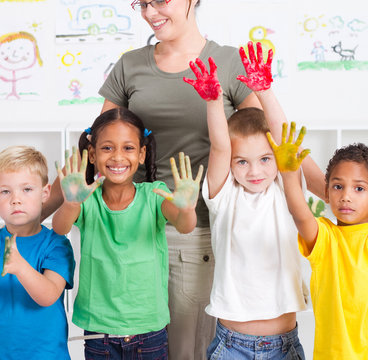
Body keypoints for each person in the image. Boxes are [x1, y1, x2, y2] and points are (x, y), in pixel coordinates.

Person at [88, 1, 264, 357]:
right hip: (131, 232)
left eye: (161, 1)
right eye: (142, 3)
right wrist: (36, 208)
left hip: (194, 232)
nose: (151, 12)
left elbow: (270, 139)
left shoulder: (229, 63)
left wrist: (327, 187)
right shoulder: (130, 65)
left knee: (187, 351)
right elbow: (97, 145)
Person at [183, 41, 325, 359]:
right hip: (232, 345)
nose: (254, 171)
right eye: (242, 161)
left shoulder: (286, 190)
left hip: (285, 345)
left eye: (264, 159)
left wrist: (265, 91)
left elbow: (283, 134)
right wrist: (213, 101)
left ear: (278, 158)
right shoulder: (224, 197)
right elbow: (220, 146)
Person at [274, 76, 368, 359]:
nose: (346, 195)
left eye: (359, 188)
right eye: (338, 186)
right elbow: (299, 214)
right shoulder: (324, 237)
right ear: (326, 190)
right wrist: (289, 176)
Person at [52, 107, 202, 359]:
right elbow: (60, 228)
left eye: (128, 148)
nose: (117, 157)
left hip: (149, 331)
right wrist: (70, 203)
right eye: (107, 148)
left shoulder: (154, 194)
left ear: (142, 154)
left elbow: (185, 225)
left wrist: (186, 208)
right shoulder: (88, 200)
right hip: (99, 331)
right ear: (92, 154)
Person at [0, 145, 75, 360]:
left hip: (45, 355)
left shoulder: (56, 245)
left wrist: (20, 267)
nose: (16, 199)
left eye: (27, 189)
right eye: (6, 191)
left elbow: (48, 296)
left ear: (45, 193)